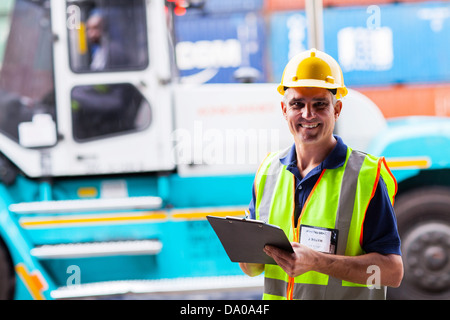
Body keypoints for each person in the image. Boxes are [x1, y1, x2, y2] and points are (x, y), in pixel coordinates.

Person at [239, 48, 403, 300]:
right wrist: (242, 245)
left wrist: (319, 262)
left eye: (319, 104)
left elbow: (392, 273)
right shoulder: (268, 172)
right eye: (297, 104)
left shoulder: (366, 177)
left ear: (336, 110)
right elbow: (253, 269)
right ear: (284, 109)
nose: (307, 114)